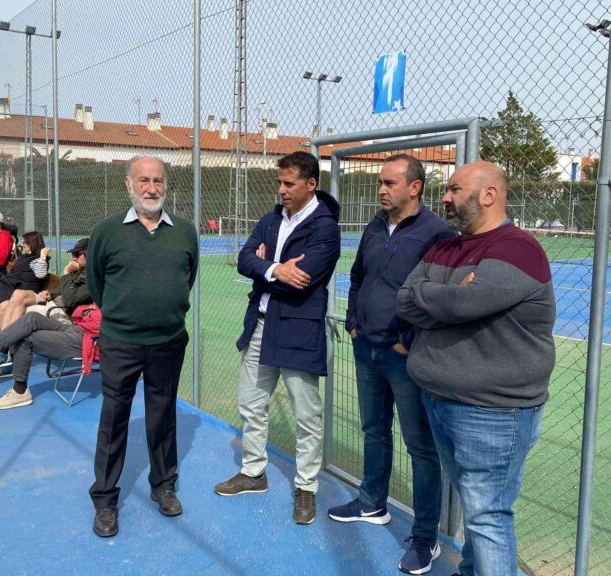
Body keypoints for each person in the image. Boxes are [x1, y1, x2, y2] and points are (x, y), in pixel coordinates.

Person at [396, 161, 556, 576]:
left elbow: (466, 303)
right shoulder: (444, 246)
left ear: (488, 195)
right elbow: (406, 300)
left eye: (453, 189)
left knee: (487, 516)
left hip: (493, 412)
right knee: (476, 509)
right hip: (440, 399)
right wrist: (447, 299)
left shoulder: (517, 249)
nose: (444, 198)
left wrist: (441, 300)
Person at [327, 154, 455, 574]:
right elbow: (359, 275)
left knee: (421, 449)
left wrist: (408, 340)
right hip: (367, 348)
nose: (381, 190)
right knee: (374, 430)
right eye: (381, 183)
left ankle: (425, 538)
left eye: (389, 183)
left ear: (414, 187)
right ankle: (372, 503)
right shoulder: (375, 226)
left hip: (405, 359)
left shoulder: (437, 234)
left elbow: (441, 296)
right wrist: (352, 321)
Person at [214, 151, 341, 526]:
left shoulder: (325, 228)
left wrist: (266, 268)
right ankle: (254, 472)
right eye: (279, 183)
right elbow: (243, 258)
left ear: (310, 184)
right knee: (251, 403)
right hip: (260, 324)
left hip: (298, 328)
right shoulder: (271, 219)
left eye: (289, 184)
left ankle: (306, 487)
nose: (281, 190)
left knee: (307, 414)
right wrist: (273, 268)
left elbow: (306, 276)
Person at [87, 156, 198, 538]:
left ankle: (163, 486)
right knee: (113, 420)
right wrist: (123, 317)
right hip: (121, 343)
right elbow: (96, 282)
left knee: (162, 415)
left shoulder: (184, 231)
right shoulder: (106, 232)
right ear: (128, 184)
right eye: (144, 180)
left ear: (166, 184)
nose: (152, 188)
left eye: (158, 181)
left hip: (168, 342)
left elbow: (189, 275)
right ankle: (105, 500)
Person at [0, 294, 99, 411]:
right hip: (77, 327)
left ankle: (19, 390)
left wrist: (88, 312)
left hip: (87, 339)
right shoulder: (104, 288)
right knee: (31, 317)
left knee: (26, 337)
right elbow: (80, 311)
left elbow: (77, 304)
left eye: (78, 254)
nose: (74, 258)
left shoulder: (116, 298)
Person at [0, 237, 92, 379]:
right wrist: (50, 294)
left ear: (89, 254)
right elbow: (62, 292)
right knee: (5, 305)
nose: (73, 258)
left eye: (77, 255)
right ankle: (6, 354)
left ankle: (7, 358)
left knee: (14, 304)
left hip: (63, 314)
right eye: (72, 255)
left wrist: (66, 273)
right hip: (52, 305)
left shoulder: (93, 276)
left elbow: (70, 301)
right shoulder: (78, 271)